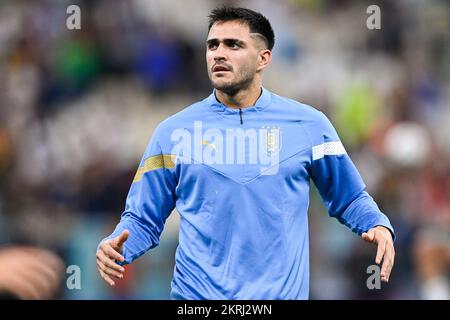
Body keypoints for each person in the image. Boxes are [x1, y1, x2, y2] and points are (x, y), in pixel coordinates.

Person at [96, 6, 395, 299]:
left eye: (233, 45)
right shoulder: (173, 133)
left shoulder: (309, 125)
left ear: (263, 58)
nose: (219, 53)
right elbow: (142, 219)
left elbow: (350, 197)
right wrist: (117, 245)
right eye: (212, 45)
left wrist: (376, 223)